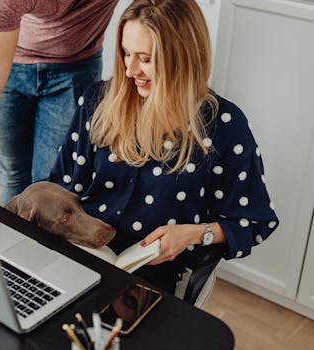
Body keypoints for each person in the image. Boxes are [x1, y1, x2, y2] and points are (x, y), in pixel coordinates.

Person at [48, 0, 279, 294]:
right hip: (80, 255)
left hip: (152, 280)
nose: (130, 70)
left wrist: (192, 235)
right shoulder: (97, 101)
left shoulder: (225, 127)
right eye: (125, 53)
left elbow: (254, 222)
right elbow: (60, 186)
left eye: (144, 58)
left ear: (183, 58)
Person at [0, 0, 119, 231]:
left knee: (52, 185)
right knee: (12, 172)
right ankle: (13, 248)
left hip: (77, 64)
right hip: (6, 58)